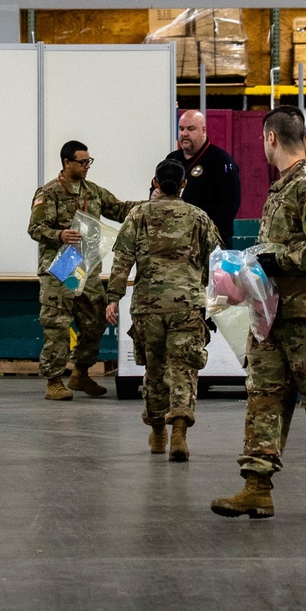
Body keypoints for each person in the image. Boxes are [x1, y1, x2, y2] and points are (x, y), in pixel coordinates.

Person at [211, 107, 306, 522]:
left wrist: (275, 260)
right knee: (263, 397)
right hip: (274, 316)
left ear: (271, 138)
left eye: (262, 140)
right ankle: (257, 487)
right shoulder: (281, 189)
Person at [105, 158, 219, 462]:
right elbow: (216, 263)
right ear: (183, 184)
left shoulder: (138, 215)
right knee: (183, 368)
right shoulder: (198, 217)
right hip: (187, 305)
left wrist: (113, 298)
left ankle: (158, 432)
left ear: (156, 184)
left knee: (154, 371)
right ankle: (179, 430)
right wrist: (210, 301)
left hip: (148, 307)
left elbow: (121, 261)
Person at [28, 141, 142, 402]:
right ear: (67, 163)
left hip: (86, 267)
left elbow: (120, 209)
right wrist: (58, 234)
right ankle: (54, 381)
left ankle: (80, 373)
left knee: (95, 321)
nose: (87, 166)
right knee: (57, 324)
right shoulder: (49, 192)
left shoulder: (93, 191)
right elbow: (34, 228)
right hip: (61, 265)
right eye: (82, 162)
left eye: (89, 161)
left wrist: (152, 203)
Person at [164, 110, 241, 246]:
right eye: (181, 129)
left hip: (210, 245)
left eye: (191, 129)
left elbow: (230, 204)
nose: (184, 133)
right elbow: (156, 188)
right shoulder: (172, 159)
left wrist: (207, 233)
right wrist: (154, 194)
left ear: (203, 131)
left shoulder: (221, 161)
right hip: (175, 244)